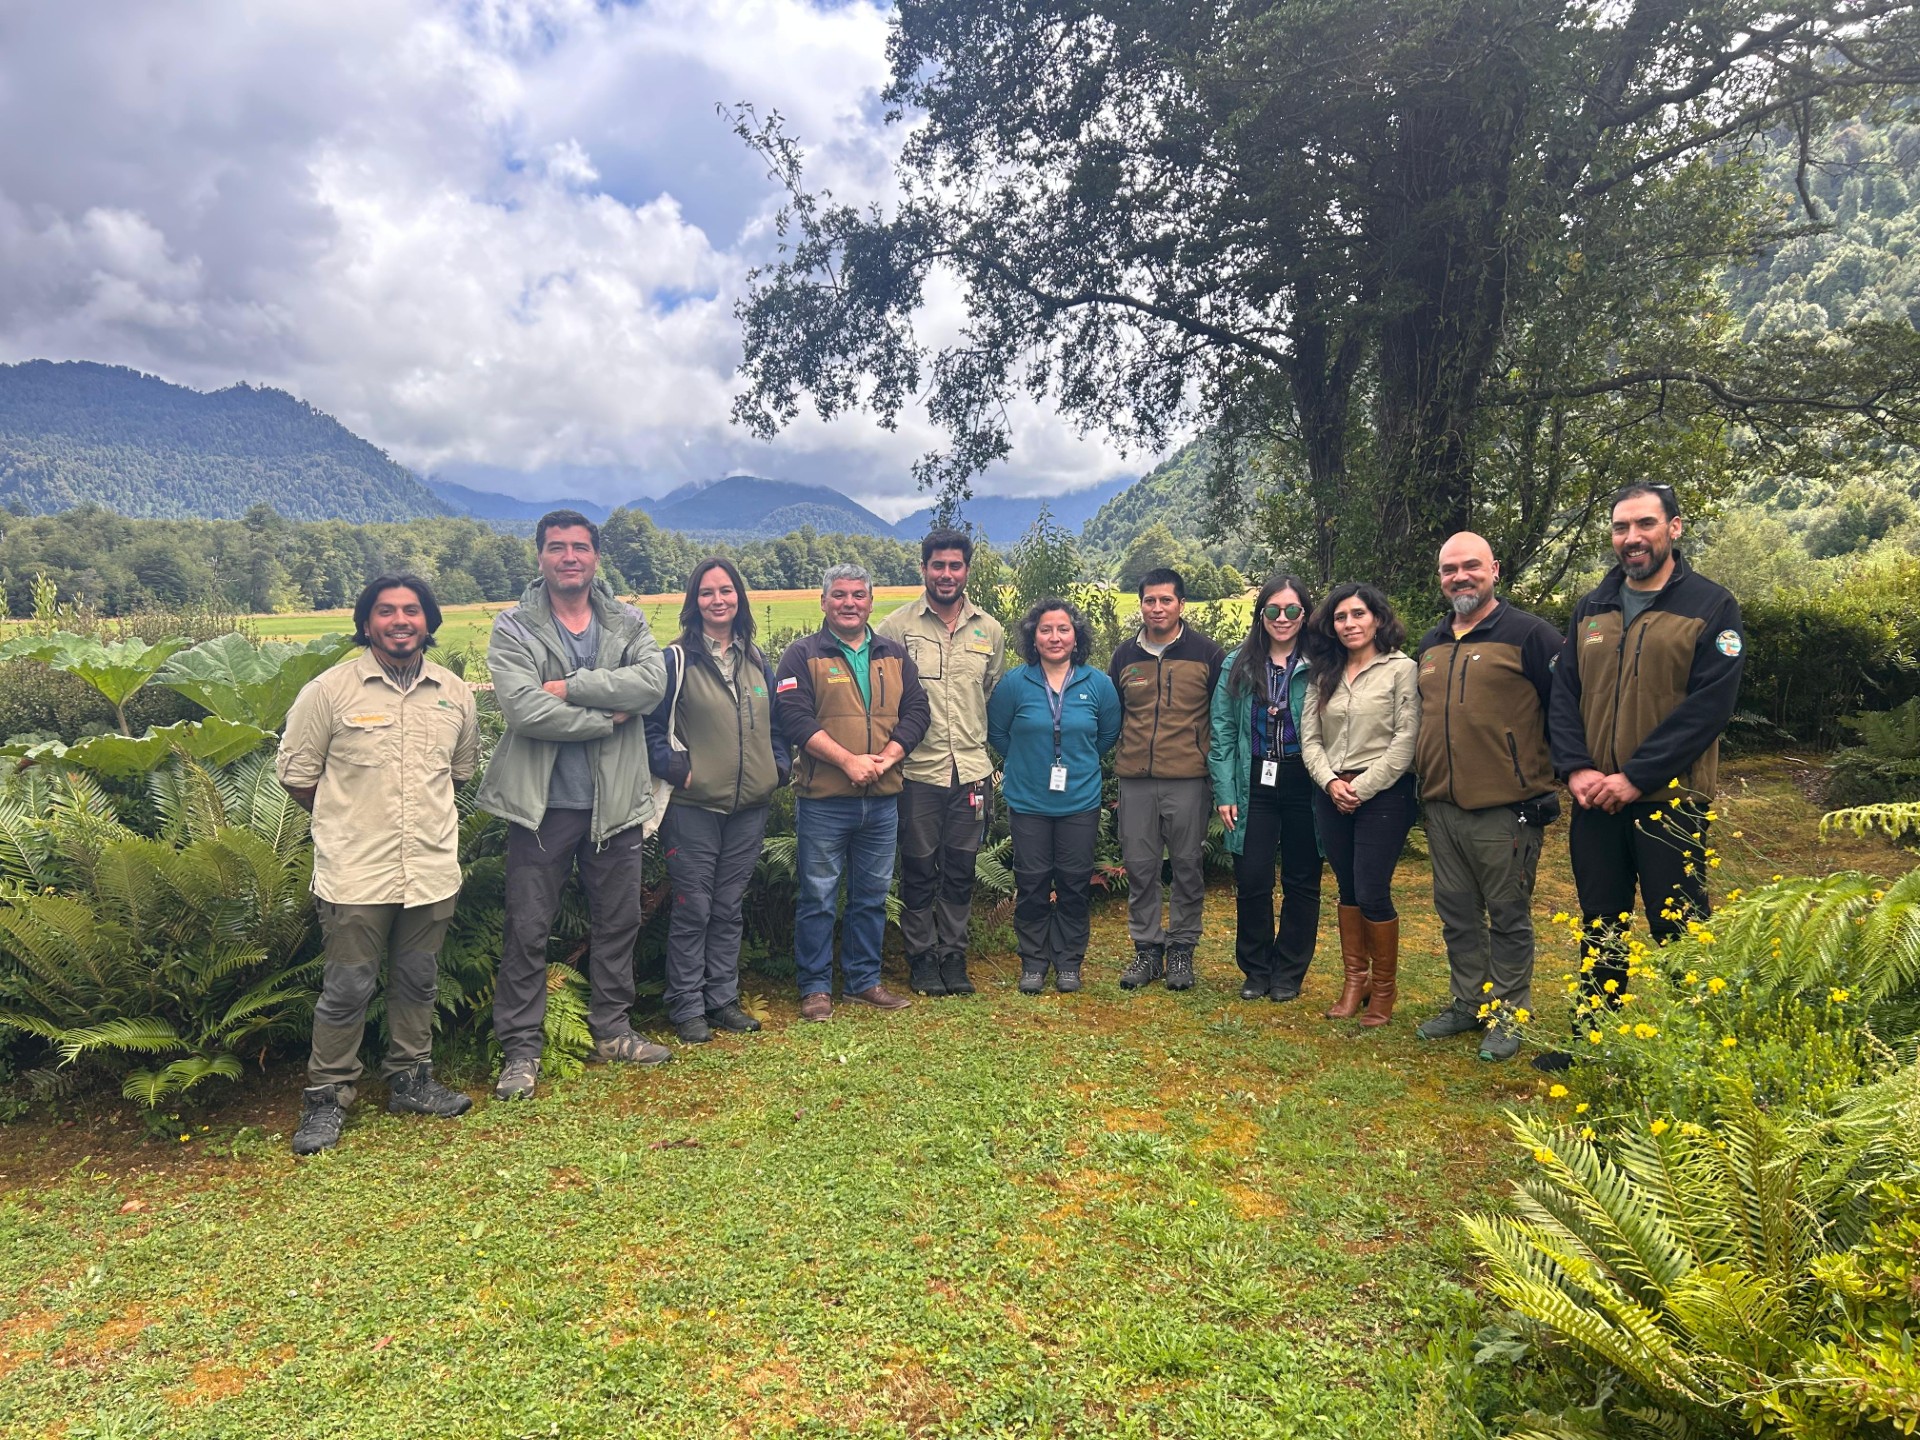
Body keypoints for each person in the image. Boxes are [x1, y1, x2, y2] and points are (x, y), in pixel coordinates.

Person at [1543, 483, 1744, 1071]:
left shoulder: (1711, 606)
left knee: (1678, 924)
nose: (1632, 538)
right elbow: (1565, 694)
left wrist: (1634, 776)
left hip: (1668, 800)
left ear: (1674, 529)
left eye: (1645, 525)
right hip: (1594, 801)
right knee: (1600, 920)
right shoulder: (1592, 606)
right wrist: (1576, 769)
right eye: (1621, 528)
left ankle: (1705, 1049)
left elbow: (1708, 708)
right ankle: (1595, 1039)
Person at [278, 574, 479, 1155]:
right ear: (366, 623)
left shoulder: (454, 693)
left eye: (412, 611)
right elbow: (298, 776)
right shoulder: (329, 691)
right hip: (355, 873)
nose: (400, 621)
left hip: (431, 869)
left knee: (418, 981)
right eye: (386, 611)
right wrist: (353, 819)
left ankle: (411, 1081)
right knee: (346, 988)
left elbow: (458, 772)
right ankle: (326, 1098)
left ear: (428, 622)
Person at [479, 509, 671, 1101]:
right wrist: (606, 718)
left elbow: (652, 684)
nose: (569, 557)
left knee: (617, 922)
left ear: (595, 556)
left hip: (614, 803)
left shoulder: (628, 620)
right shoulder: (512, 627)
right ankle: (521, 1050)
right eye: (557, 547)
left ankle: (612, 1030)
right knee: (528, 928)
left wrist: (573, 687)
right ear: (539, 555)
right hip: (542, 807)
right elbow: (522, 710)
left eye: (580, 547)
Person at [1411, 534, 1562, 1062]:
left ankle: (1509, 1013)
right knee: (1456, 913)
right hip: (1442, 806)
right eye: (1449, 569)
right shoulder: (1430, 644)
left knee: (1508, 914)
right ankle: (1468, 1002)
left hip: (1507, 809)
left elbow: (1566, 710)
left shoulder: (1532, 635)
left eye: (1470, 566)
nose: (1460, 577)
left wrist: (1560, 776)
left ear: (1494, 569)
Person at [774, 563, 931, 1022]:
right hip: (824, 801)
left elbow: (917, 711)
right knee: (818, 896)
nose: (849, 603)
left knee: (872, 895)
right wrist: (847, 761)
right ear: (823, 602)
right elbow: (794, 718)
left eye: (858, 595)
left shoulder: (895, 654)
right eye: (839, 595)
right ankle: (815, 988)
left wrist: (890, 756)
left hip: (882, 800)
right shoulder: (801, 655)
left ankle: (864, 982)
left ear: (870, 602)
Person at [644, 558, 789, 1045]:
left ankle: (722, 1000)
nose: (718, 599)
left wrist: (778, 767)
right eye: (707, 592)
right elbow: (650, 729)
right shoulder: (676, 661)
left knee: (729, 906)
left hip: (750, 806)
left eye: (726, 590)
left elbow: (777, 724)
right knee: (694, 907)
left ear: (739, 598)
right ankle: (686, 1006)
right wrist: (678, 770)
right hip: (694, 808)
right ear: (694, 602)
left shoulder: (755, 658)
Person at [877, 529, 1005, 997]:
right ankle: (921, 958)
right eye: (938, 565)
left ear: (967, 570)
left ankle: (954, 954)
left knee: (960, 868)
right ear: (924, 569)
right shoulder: (896, 628)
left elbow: (987, 689)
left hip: (971, 771)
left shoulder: (988, 629)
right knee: (917, 866)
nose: (946, 574)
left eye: (955, 566)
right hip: (917, 772)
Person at [987, 597, 1122, 995]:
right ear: (1033, 637)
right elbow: (997, 734)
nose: (1055, 637)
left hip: (1079, 801)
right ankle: (1032, 961)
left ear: (1076, 635)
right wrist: (1026, 762)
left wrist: (1077, 761)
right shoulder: (1015, 683)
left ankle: (1068, 962)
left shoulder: (1098, 684)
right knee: (1030, 883)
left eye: (1063, 629)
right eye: (1045, 629)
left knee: (1074, 883)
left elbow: (1107, 735)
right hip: (1028, 802)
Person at [1300, 583, 1420, 1026]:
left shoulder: (1401, 670)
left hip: (1384, 795)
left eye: (1358, 614)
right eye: (1340, 617)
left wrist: (1362, 787)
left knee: (1372, 890)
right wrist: (1331, 782)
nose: (1349, 624)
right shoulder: (1322, 672)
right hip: (1331, 792)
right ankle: (1356, 981)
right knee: (1348, 891)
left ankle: (1384, 991)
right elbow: (1309, 737)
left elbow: (1406, 739)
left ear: (1378, 619)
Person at [1109, 568, 1225, 992]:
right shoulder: (1124, 656)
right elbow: (1112, 714)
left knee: (1187, 866)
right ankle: (1147, 949)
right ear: (1140, 604)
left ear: (1181, 604)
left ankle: (1181, 950)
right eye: (1149, 600)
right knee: (1140, 868)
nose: (1157, 608)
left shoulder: (1208, 654)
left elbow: (1222, 716)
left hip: (1188, 778)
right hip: (1136, 779)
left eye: (1166, 600)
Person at [1210, 574, 1322, 1003]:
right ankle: (1256, 969)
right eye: (1273, 609)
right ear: (1261, 614)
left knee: (1301, 880)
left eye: (1292, 610)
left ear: (1305, 615)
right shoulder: (1237, 663)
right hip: (1250, 779)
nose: (1282, 618)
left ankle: (1289, 971)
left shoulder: (1320, 662)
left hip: (1304, 781)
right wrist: (1224, 791)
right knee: (1252, 878)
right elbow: (1220, 731)